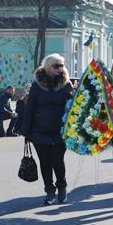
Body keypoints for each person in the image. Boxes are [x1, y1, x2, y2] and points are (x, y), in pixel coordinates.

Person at [21, 54, 73, 205]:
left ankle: (61, 187)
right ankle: (49, 191)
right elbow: (30, 108)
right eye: (57, 66)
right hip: (40, 131)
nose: (60, 68)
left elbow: (73, 106)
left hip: (60, 131)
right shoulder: (37, 85)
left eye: (62, 65)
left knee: (58, 161)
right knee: (45, 162)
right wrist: (27, 132)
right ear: (48, 66)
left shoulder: (66, 84)